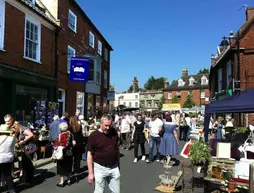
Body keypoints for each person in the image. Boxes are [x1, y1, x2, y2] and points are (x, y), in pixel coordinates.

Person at [87, 114, 120, 193]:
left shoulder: (114, 132)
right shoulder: (94, 136)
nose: (108, 128)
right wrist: (91, 173)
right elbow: (89, 155)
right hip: (100, 168)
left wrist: (118, 165)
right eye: (106, 125)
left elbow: (117, 149)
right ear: (101, 123)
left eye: (109, 125)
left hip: (114, 167)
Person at [54, 121, 73, 187]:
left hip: (61, 153)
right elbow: (73, 143)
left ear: (60, 129)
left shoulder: (59, 136)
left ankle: (62, 182)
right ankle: (68, 180)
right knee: (68, 166)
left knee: (61, 167)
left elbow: (55, 146)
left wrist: (56, 147)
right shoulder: (70, 134)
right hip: (69, 152)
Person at [0, 125, 16, 193]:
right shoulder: (12, 138)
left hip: (0, 158)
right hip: (8, 159)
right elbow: (13, 146)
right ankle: (11, 190)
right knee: (8, 174)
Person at [69, 116, 83, 183]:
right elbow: (81, 135)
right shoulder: (79, 126)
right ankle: (77, 174)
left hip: (72, 145)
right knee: (77, 160)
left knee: (71, 159)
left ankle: (70, 173)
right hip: (79, 145)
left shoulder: (70, 127)